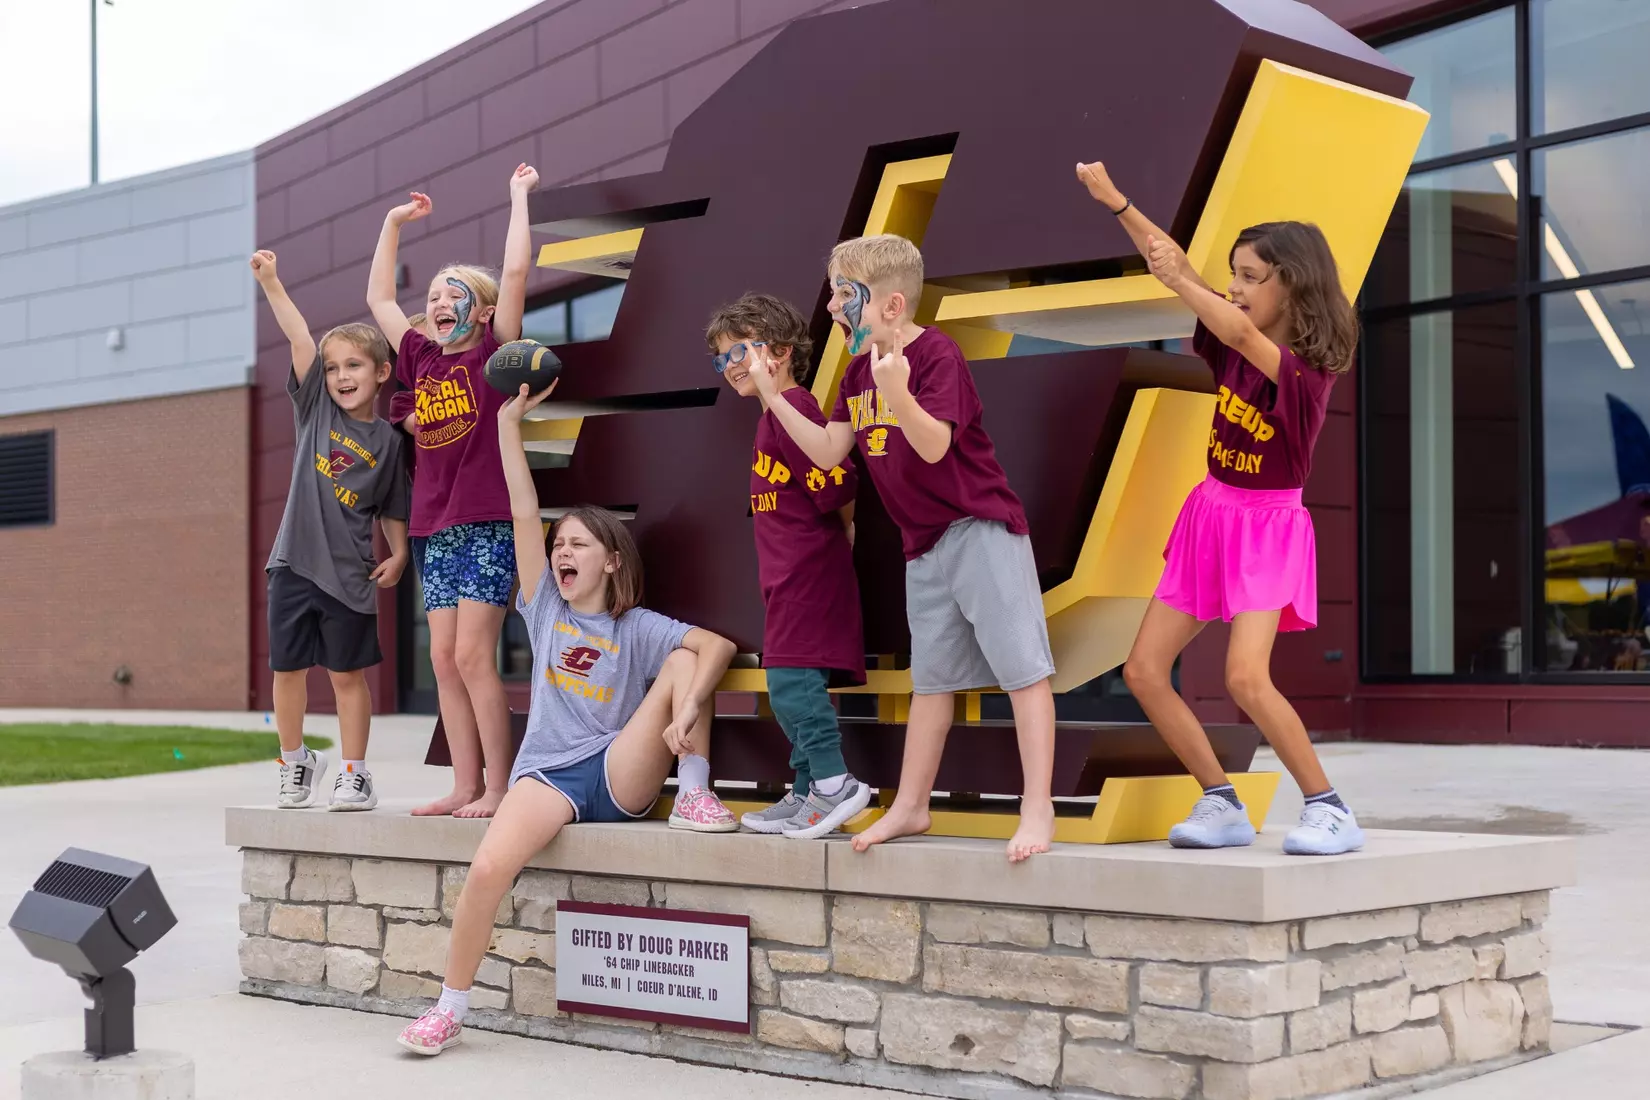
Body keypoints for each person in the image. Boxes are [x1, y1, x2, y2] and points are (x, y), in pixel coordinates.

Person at [396, 385, 738, 1056]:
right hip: (548, 774)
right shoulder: (545, 608)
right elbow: (524, 512)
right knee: (487, 868)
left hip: (618, 770)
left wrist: (690, 706)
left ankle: (695, 792)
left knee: (684, 662)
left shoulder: (636, 625)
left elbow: (717, 646)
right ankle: (449, 1008)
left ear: (612, 559)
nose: (562, 552)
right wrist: (506, 427)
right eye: (559, 545)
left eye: (578, 544)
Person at [1076, 160, 1365, 856]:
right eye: (1232, 275)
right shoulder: (1229, 333)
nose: (1233, 288)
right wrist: (1118, 202)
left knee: (1245, 677)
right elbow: (1173, 265)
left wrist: (1185, 282)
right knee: (1144, 671)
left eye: (1248, 276)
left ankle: (1329, 809)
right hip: (1211, 512)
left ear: (1291, 283)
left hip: (1268, 527)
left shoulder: (1307, 375)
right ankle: (1221, 801)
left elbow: (1229, 325)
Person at [751, 235, 1057, 863]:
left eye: (846, 294)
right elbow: (830, 452)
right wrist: (772, 396)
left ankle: (1037, 807)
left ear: (891, 305)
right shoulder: (857, 372)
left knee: (1024, 673)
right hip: (923, 546)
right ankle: (912, 805)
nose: (832, 307)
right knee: (933, 683)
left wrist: (897, 392)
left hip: (980, 529)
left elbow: (935, 445)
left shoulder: (937, 354)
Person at [368, 164, 534, 819]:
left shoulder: (494, 351)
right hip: (434, 527)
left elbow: (515, 272)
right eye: (435, 293)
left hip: (487, 521)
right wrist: (392, 224)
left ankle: (499, 786)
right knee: (442, 657)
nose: (440, 301)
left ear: (483, 311)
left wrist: (518, 197)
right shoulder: (421, 358)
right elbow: (381, 300)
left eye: (454, 293)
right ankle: (465, 784)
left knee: (472, 654)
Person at [705, 293, 873, 838]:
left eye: (741, 351)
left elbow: (839, 483)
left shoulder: (793, 408)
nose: (731, 365)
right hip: (787, 577)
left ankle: (834, 783)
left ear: (779, 352)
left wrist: (839, 538)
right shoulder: (772, 419)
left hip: (808, 575)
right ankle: (805, 790)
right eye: (723, 357)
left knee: (792, 684)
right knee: (786, 683)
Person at [252, 249, 410, 811]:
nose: (342, 376)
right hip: (292, 564)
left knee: (346, 676)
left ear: (382, 372)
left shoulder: (390, 442)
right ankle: (294, 762)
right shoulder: (314, 410)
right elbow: (299, 339)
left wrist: (398, 553)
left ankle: (353, 774)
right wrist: (272, 281)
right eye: (334, 367)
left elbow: (392, 505)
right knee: (287, 670)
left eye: (354, 366)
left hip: (349, 576)